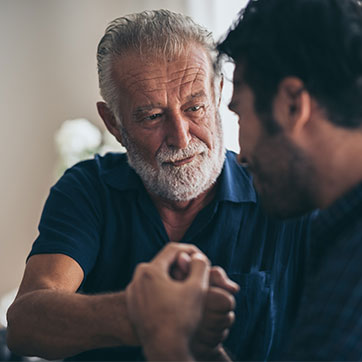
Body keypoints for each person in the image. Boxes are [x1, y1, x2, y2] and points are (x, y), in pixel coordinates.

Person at [6, 9, 312, 362]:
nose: (180, 138)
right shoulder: (87, 190)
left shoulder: (282, 195)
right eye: (152, 116)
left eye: (195, 107)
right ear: (114, 123)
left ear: (218, 95)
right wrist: (141, 316)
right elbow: (25, 323)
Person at [124, 0, 362, 360]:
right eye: (153, 115)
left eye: (240, 115)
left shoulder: (353, 264)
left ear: (292, 105)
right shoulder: (339, 237)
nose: (244, 155)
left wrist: (165, 337)